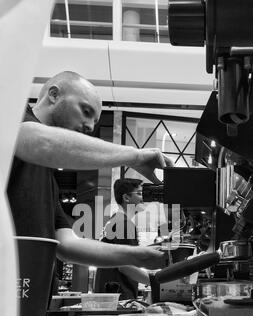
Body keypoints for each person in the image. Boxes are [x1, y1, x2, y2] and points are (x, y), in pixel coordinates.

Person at [7, 70, 173, 273]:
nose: (89, 127)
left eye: (95, 123)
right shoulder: (12, 116)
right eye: (85, 111)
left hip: (26, 294)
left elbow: (68, 245)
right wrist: (135, 156)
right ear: (54, 94)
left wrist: (138, 256)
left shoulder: (48, 180)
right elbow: (38, 142)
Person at [95, 178, 150, 299]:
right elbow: (126, 267)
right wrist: (156, 282)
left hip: (109, 295)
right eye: (139, 193)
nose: (144, 198)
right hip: (119, 298)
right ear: (126, 198)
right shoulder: (124, 224)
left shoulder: (114, 221)